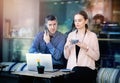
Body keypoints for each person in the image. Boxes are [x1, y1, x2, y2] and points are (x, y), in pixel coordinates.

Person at [64, 10, 100, 83]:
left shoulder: (92, 36)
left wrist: (85, 47)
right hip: (72, 70)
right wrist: (67, 47)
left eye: (79, 20)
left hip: (87, 69)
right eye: (75, 21)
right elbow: (66, 57)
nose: (77, 23)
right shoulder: (71, 35)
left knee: (76, 72)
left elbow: (97, 57)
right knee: (72, 73)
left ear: (86, 21)